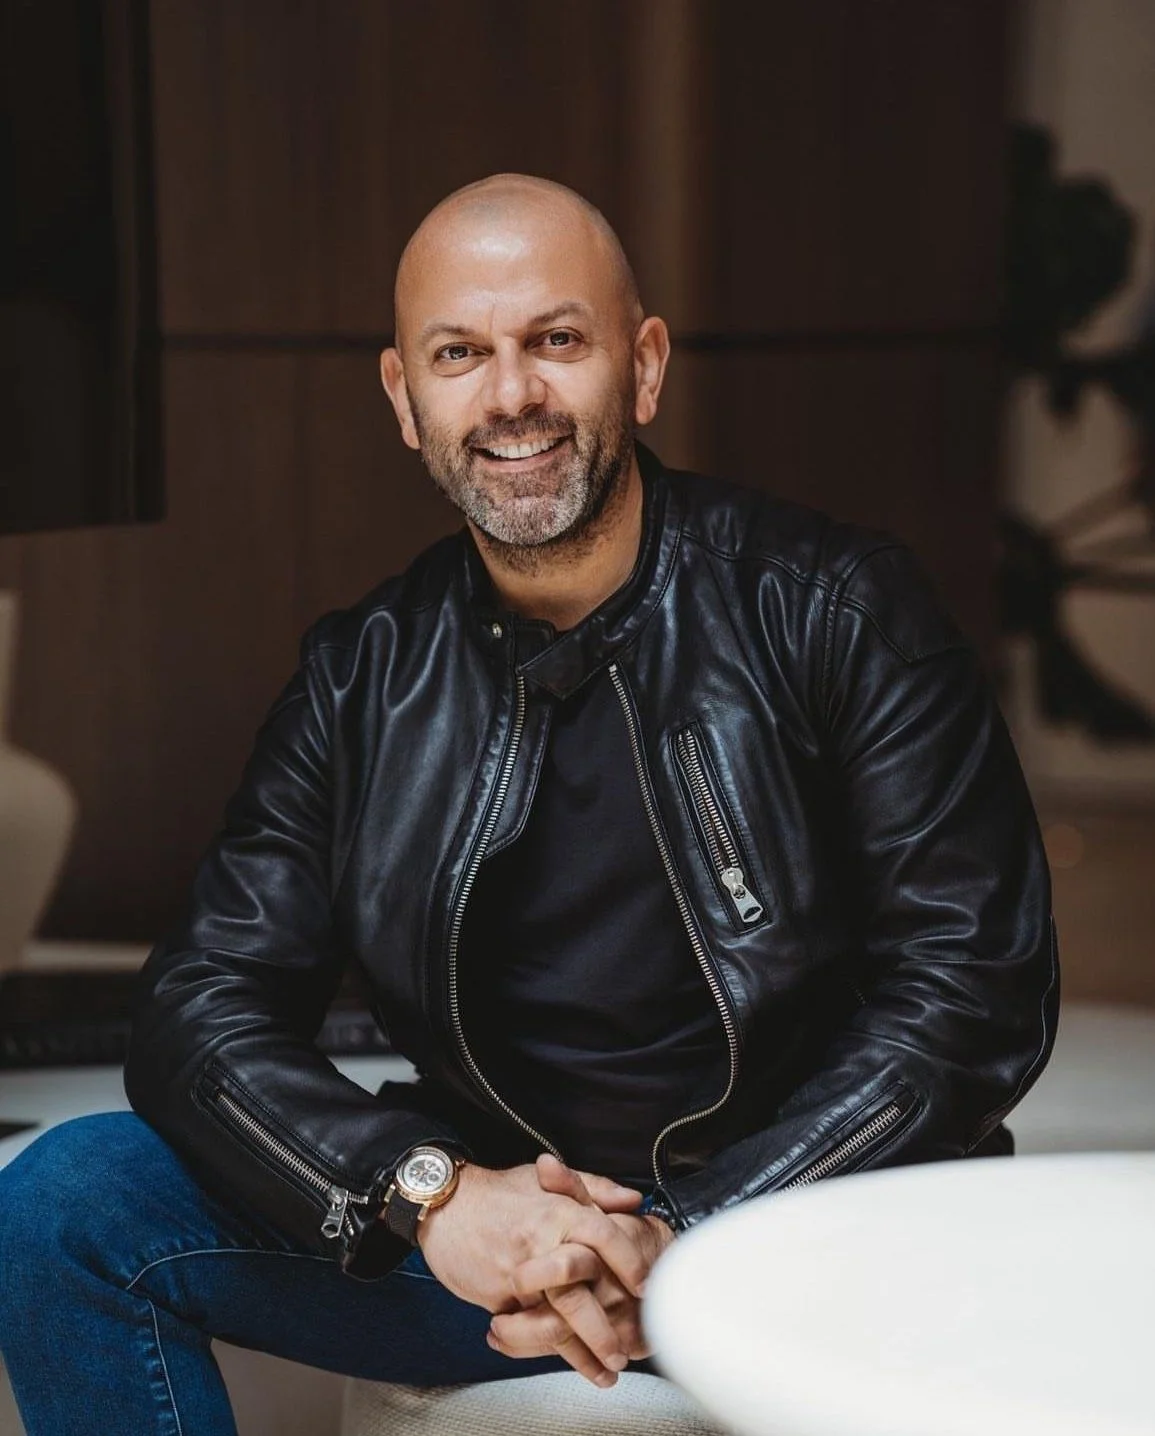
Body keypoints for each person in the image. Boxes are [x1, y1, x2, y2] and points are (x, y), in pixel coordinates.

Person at [0, 174, 1058, 1434]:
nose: (511, 394)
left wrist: (684, 1235)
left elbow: (973, 989)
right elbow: (199, 1008)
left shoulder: (834, 609)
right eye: (462, 353)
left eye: (557, 340)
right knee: (67, 1202)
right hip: (495, 1253)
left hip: (803, 1235)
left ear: (644, 366)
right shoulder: (363, 674)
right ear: (405, 398)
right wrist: (437, 1198)